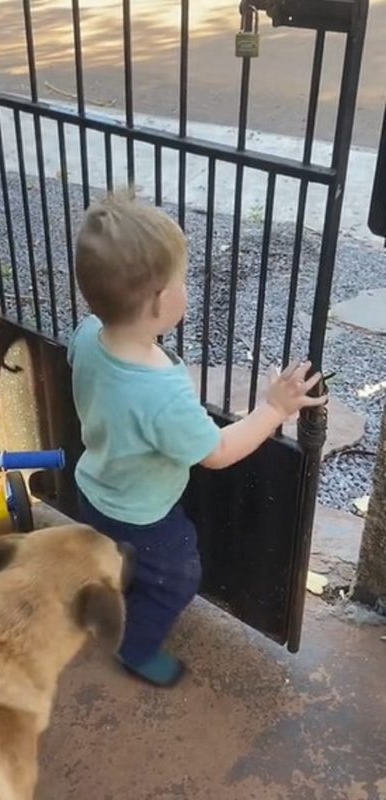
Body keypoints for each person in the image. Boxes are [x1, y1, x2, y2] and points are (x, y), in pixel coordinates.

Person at [68, 192, 326, 687]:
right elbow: (218, 451)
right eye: (182, 282)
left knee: (107, 555)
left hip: (92, 487)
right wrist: (273, 408)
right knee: (177, 577)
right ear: (161, 302)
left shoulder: (86, 336)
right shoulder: (161, 390)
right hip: (144, 515)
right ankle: (135, 647)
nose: (187, 289)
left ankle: (100, 590)